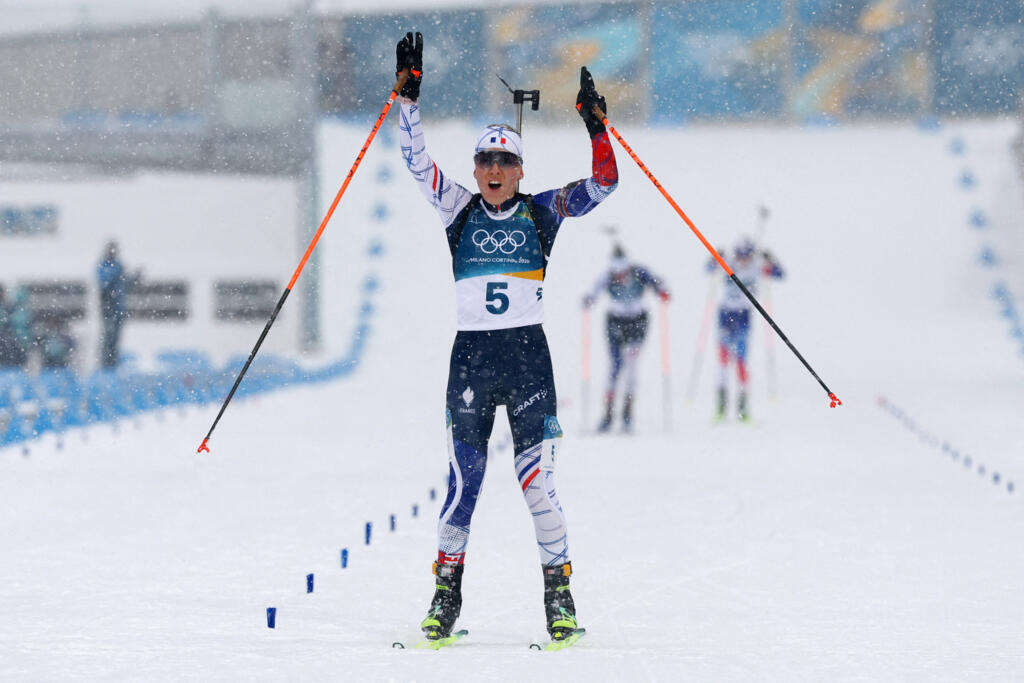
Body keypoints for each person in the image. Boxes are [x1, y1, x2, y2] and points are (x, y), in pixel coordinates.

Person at [394, 31, 618, 643]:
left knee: (537, 488)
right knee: (462, 486)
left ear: (520, 170)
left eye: (505, 161)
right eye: (485, 161)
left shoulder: (541, 211)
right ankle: (445, 598)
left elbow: (603, 185)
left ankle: (559, 597)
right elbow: (415, 162)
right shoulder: (458, 208)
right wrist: (408, 101)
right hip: (471, 360)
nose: (494, 170)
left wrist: (596, 127)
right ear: (475, 170)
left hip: (526, 362)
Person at [583, 244, 669, 433]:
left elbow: (658, 285)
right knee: (615, 367)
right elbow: (594, 291)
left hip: (638, 323)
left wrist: (663, 292)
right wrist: (589, 300)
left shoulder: (639, 272)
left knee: (632, 366)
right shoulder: (607, 275)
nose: (620, 277)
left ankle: (627, 415)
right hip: (615, 322)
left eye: (622, 272)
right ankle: (608, 415)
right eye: (617, 273)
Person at [707, 237, 784, 421]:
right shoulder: (728, 264)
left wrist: (771, 260)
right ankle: (720, 409)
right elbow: (709, 268)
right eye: (740, 255)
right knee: (723, 362)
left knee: (741, 362)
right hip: (725, 316)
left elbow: (779, 274)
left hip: (743, 318)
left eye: (747, 256)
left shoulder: (756, 267)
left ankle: (743, 410)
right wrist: (715, 257)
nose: (743, 260)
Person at [97, 240, 128, 369]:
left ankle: (113, 363)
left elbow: (124, 285)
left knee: (116, 339)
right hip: (108, 308)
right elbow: (104, 282)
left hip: (118, 309)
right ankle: (106, 363)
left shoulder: (119, 266)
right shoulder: (104, 266)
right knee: (108, 337)